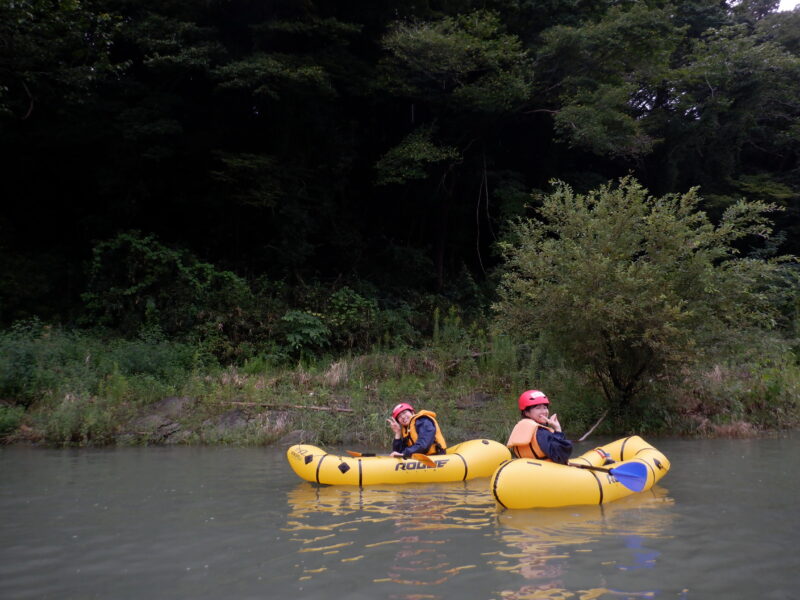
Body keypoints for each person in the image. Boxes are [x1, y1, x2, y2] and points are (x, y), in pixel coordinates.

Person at [506, 390, 573, 464]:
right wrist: (558, 430)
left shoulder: (519, 427)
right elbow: (560, 457)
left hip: (528, 470)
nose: (544, 411)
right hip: (546, 471)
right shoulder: (541, 432)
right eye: (538, 408)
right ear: (526, 412)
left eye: (545, 408)